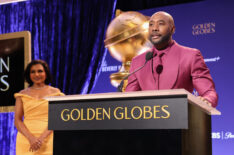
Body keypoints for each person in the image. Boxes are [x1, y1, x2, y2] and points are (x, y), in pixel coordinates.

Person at [125, 11, 218, 107]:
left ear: (172, 29)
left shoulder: (190, 56)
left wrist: (207, 100)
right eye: (151, 24)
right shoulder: (138, 62)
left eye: (160, 24)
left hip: (179, 118)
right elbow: (128, 100)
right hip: (146, 120)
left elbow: (208, 92)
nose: (155, 28)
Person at [14, 60, 64, 154]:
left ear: (46, 73)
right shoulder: (22, 94)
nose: (36, 74)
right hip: (26, 139)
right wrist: (31, 138)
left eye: (40, 71)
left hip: (49, 138)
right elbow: (17, 120)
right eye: (32, 72)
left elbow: (57, 119)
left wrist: (41, 139)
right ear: (29, 75)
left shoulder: (56, 93)